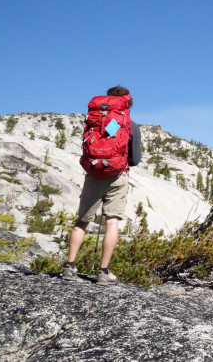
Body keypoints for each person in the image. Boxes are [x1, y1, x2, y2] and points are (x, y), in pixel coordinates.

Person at [62, 86, 142, 285]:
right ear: (127, 102)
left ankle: (69, 267)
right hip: (117, 175)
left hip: (94, 173)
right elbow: (135, 159)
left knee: (82, 221)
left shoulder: (95, 120)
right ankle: (104, 272)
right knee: (112, 221)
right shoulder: (130, 125)